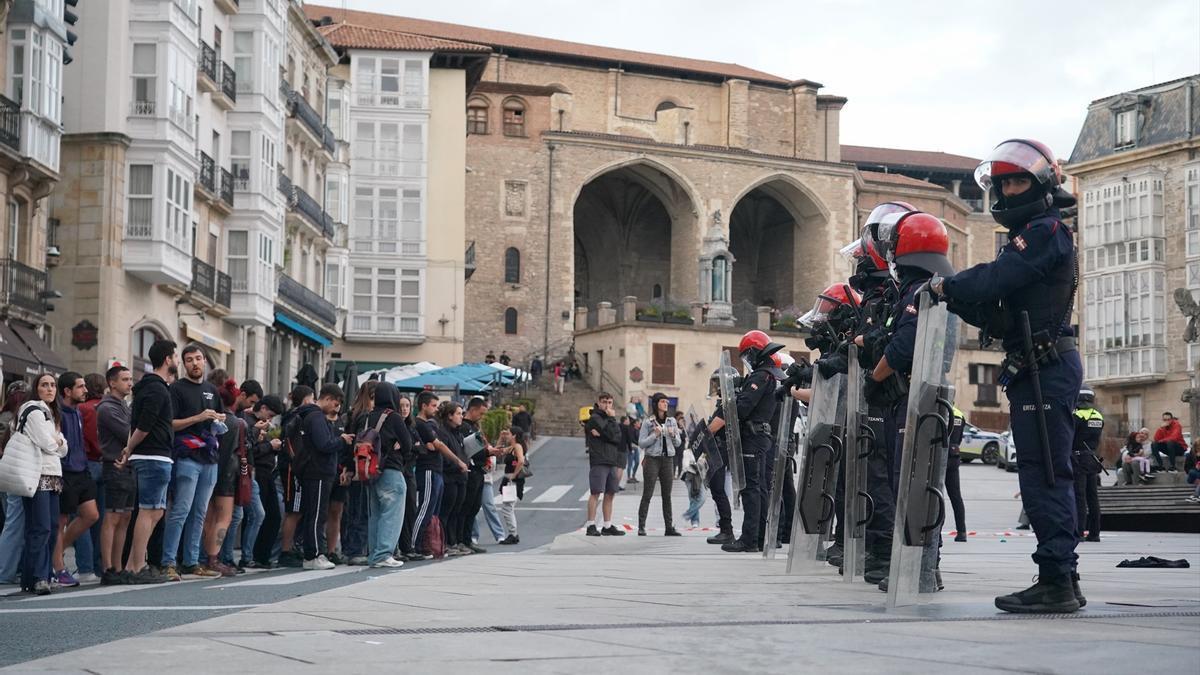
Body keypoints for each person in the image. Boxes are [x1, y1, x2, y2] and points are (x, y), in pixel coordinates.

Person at [931, 139, 1084, 613]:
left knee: (1046, 475)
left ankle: (1057, 579)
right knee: (1041, 473)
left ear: (1040, 185)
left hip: (1048, 369)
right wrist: (956, 299)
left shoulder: (1042, 232)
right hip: (1033, 366)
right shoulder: (1033, 235)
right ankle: (1060, 578)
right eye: (1003, 184)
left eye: (1017, 180)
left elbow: (995, 280)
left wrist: (944, 284)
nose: (1009, 190)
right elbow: (1000, 313)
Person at [861, 210, 956, 591]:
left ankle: (920, 569)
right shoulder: (926, 288)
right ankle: (919, 566)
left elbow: (902, 346)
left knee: (915, 479)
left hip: (918, 394)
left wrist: (875, 377)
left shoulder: (921, 292)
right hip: (919, 393)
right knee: (915, 480)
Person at [711, 330, 783, 553]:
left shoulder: (760, 376)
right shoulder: (772, 374)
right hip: (762, 437)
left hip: (753, 437)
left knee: (751, 488)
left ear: (754, 352)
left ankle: (750, 539)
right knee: (759, 487)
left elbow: (743, 407)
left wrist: (723, 413)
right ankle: (759, 537)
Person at [160, 345, 226, 581]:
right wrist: (199, 417)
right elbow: (170, 423)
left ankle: (191, 561)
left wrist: (219, 419)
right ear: (183, 364)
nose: (195, 363)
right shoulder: (176, 389)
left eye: (198, 359)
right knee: (181, 510)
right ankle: (168, 562)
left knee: (200, 512)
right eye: (189, 360)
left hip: (210, 456)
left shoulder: (211, 390)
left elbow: (220, 419)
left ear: (205, 361)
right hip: (186, 456)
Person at [116, 340, 177, 584]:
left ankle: (132, 564)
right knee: (148, 510)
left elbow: (137, 424)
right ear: (167, 359)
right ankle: (138, 565)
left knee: (157, 511)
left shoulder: (149, 388)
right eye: (175, 356)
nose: (177, 360)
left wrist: (130, 450)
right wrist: (129, 449)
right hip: (153, 455)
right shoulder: (156, 389)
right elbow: (144, 426)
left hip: (155, 455)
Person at [14, 374, 68, 594]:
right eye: (44, 385)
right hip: (37, 475)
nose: (50, 389)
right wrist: (57, 441)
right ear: (36, 388)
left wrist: (57, 442)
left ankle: (39, 576)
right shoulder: (34, 409)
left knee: (51, 528)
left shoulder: (50, 412)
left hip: (53, 475)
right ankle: (37, 577)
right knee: (41, 528)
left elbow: (64, 448)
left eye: (53, 385)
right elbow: (48, 443)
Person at [291, 384, 354, 570]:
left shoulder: (310, 416)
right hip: (318, 471)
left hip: (315, 471)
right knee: (317, 515)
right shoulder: (316, 417)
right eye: (335, 404)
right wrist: (341, 440)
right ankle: (314, 555)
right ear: (326, 399)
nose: (337, 408)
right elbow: (324, 444)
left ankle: (314, 553)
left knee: (315, 514)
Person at [223, 395, 283, 569]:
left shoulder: (256, 422)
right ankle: (230, 556)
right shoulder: (244, 420)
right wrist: (268, 444)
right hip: (243, 472)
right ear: (262, 408)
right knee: (237, 516)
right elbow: (247, 447)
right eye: (269, 415)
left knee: (257, 514)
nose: (269, 419)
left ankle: (247, 556)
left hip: (251, 473)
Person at [51, 372, 99, 587]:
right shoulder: (57, 413)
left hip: (82, 470)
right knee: (60, 521)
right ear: (67, 391)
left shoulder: (78, 412)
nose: (85, 390)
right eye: (80, 387)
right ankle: (58, 568)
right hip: (64, 472)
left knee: (91, 515)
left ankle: (57, 553)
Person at [410, 392, 467, 557]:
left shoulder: (431, 425)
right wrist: (458, 461)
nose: (436, 409)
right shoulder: (421, 424)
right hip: (428, 469)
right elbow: (439, 445)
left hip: (437, 470)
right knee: (425, 509)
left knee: (432, 511)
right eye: (433, 406)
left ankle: (426, 543)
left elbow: (436, 444)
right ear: (423, 406)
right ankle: (414, 544)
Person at [360, 382, 410, 568]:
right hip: (391, 469)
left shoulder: (368, 417)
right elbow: (408, 444)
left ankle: (374, 554)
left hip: (371, 471)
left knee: (375, 514)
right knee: (392, 511)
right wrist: (401, 452)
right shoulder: (393, 417)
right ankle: (384, 554)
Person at [199, 382, 246, 577]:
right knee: (224, 518)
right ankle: (213, 558)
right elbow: (238, 452)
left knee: (208, 518)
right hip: (227, 474)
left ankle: (203, 557)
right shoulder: (236, 423)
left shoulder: (210, 419)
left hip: (208, 468)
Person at [96, 366, 134, 584]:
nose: (130, 383)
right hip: (114, 465)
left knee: (125, 517)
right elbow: (129, 433)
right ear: (112, 383)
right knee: (112, 517)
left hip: (128, 466)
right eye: (125, 379)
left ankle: (118, 567)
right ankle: (108, 568)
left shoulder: (124, 405)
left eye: (130, 379)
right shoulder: (107, 408)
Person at [276, 386, 315, 568]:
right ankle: (285, 550)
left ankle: (289, 548)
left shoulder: (292, 416)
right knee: (294, 510)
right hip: (294, 469)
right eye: (312, 398)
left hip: (293, 466)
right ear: (306, 399)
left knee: (297, 509)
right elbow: (292, 445)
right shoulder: (296, 417)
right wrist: (298, 463)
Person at [74, 372, 106, 583]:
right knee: (99, 518)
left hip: (86, 463)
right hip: (106, 463)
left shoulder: (82, 409)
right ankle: (98, 565)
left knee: (83, 516)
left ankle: (85, 566)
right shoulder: (107, 406)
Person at [341, 381, 378, 566]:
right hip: (361, 469)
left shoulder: (353, 414)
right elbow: (361, 445)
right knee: (361, 510)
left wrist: (348, 467)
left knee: (354, 510)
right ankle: (356, 550)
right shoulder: (366, 416)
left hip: (354, 467)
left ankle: (351, 548)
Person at [636, 392, 682, 537]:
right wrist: (654, 435)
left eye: (667, 402)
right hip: (652, 460)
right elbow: (641, 443)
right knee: (647, 494)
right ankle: (641, 526)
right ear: (656, 404)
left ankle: (669, 527)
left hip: (668, 459)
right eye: (662, 401)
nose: (665, 404)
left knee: (667, 495)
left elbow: (678, 443)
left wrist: (673, 434)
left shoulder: (671, 421)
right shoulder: (648, 422)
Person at [0, 380, 31, 584]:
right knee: (13, 521)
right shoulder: (18, 416)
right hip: (15, 471)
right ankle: (7, 569)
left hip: (10, 470)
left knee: (11, 521)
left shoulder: (8, 416)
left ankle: (11, 568)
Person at [583, 392, 624, 537]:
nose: (607, 405)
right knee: (595, 492)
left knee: (610, 493)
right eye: (604, 402)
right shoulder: (594, 418)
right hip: (599, 459)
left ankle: (607, 525)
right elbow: (610, 435)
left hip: (611, 459)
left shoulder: (610, 419)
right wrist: (611, 422)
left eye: (610, 402)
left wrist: (608, 431)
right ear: (599, 403)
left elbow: (617, 437)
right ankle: (591, 525)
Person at [458, 397, 495, 555]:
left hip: (480, 470)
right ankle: (461, 540)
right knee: (466, 507)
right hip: (471, 471)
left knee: (474, 507)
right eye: (480, 413)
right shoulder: (464, 427)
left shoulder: (474, 427)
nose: (482, 417)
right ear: (472, 410)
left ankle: (468, 540)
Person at [1072, 388, 1104, 542]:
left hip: (1078, 458)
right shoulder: (1098, 416)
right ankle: (1095, 533)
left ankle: (1079, 532)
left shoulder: (1077, 415)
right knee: (1093, 497)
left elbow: (1070, 437)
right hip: (1093, 458)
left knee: (1080, 496)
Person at [496, 426, 526, 544]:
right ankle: (513, 533)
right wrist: (501, 438)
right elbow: (498, 451)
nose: (507, 435)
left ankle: (513, 534)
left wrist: (514, 475)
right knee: (508, 508)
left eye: (508, 434)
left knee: (507, 508)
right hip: (510, 480)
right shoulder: (513, 447)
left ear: (513, 435)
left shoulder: (517, 446)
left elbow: (521, 461)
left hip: (513, 481)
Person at [946, 407, 968, 542]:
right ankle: (962, 532)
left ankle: (935, 532)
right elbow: (959, 438)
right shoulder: (959, 414)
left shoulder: (939, 409)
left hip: (939, 455)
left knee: (935, 496)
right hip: (954, 456)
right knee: (956, 496)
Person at [621, 416, 639, 484]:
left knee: (637, 462)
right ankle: (629, 477)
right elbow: (630, 439)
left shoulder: (637, 430)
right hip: (631, 447)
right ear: (634, 423)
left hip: (636, 447)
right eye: (638, 423)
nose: (639, 424)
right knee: (630, 463)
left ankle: (633, 476)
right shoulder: (630, 429)